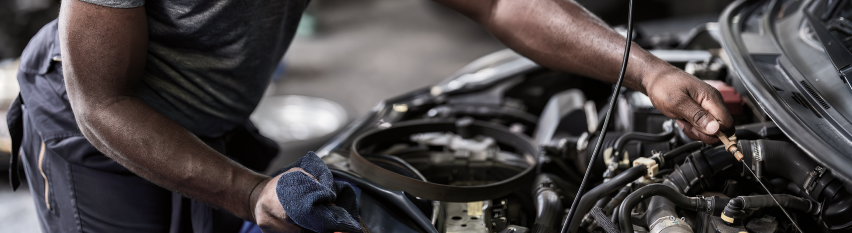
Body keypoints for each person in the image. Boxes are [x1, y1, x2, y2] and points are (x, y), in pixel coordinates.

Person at [7, 0, 734, 232]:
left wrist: (645, 69)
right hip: (90, 134)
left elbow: (498, 2)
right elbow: (101, 98)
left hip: (211, 121)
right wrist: (245, 190)